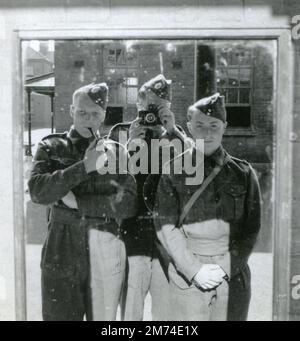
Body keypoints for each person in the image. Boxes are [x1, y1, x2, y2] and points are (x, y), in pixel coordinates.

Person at [28, 83, 137, 321]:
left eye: (95, 113)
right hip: (62, 249)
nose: (88, 118)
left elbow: (128, 203)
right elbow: (37, 191)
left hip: (105, 248)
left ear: (104, 115)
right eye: (82, 112)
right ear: (71, 111)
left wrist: (78, 204)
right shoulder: (51, 146)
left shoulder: (117, 152)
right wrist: (84, 167)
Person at [154, 93, 261, 321]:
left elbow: (251, 230)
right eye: (200, 125)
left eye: (214, 125)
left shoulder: (243, 173)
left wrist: (224, 267)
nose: (208, 132)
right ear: (190, 128)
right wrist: (194, 270)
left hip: (231, 275)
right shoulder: (174, 170)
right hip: (187, 275)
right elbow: (165, 226)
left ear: (225, 127)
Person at [108, 74, 187, 321]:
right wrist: (129, 146)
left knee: (165, 309)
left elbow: (189, 181)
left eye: (158, 107)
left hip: (166, 235)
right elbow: (111, 185)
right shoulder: (121, 133)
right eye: (147, 107)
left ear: (169, 107)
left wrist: (172, 132)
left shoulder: (178, 136)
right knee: (131, 306)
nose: (151, 114)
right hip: (132, 231)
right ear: (138, 105)